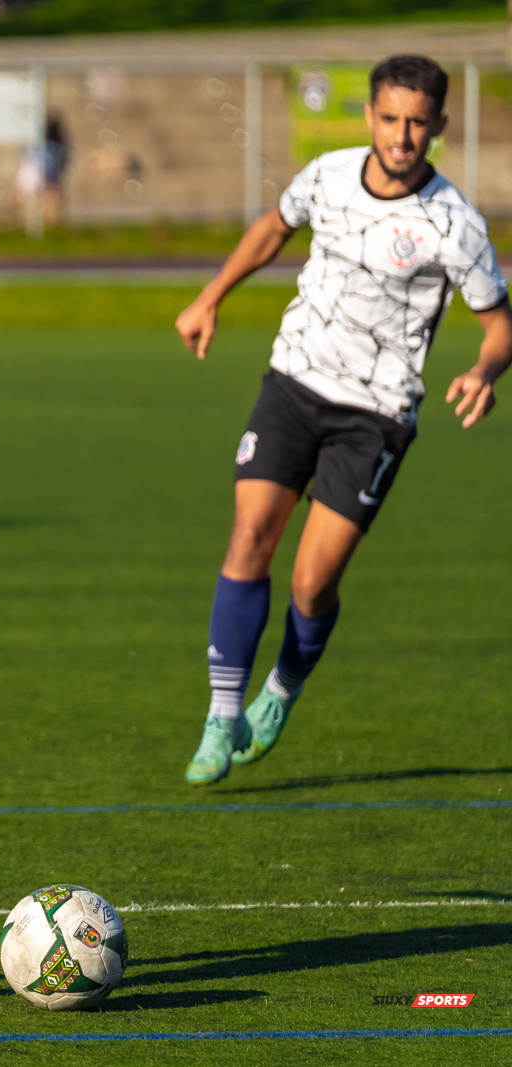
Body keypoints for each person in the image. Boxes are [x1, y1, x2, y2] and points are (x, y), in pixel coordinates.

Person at [174, 54, 510, 785]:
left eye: (417, 122)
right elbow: (273, 228)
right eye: (389, 118)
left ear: (439, 124)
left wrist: (484, 372)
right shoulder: (326, 175)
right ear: (369, 116)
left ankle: (281, 689)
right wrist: (210, 296)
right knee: (249, 536)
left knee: (311, 584)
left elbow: (499, 325)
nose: (401, 135)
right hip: (293, 384)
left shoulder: (454, 224)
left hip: (376, 415)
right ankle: (222, 714)